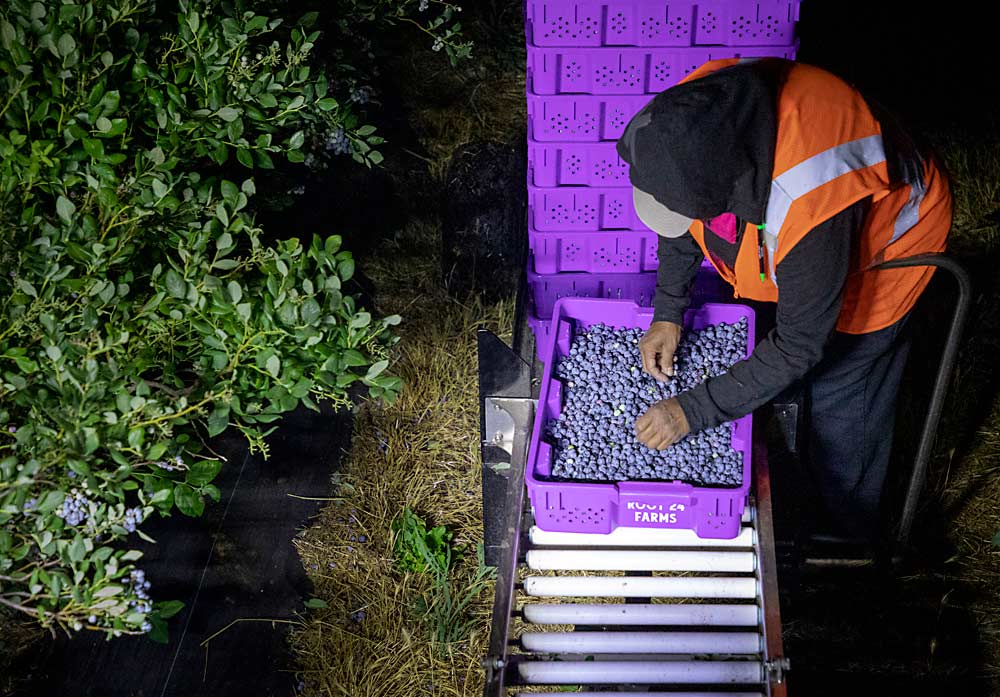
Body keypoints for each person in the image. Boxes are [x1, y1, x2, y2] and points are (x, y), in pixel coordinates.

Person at [616, 58, 952, 541]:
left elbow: (799, 343)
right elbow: (683, 220)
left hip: (891, 242)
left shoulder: (810, 195)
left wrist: (691, 410)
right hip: (805, 236)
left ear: (729, 187)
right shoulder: (689, 116)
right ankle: (795, 479)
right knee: (784, 368)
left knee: (840, 385)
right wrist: (669, 310)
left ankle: (847, 540)